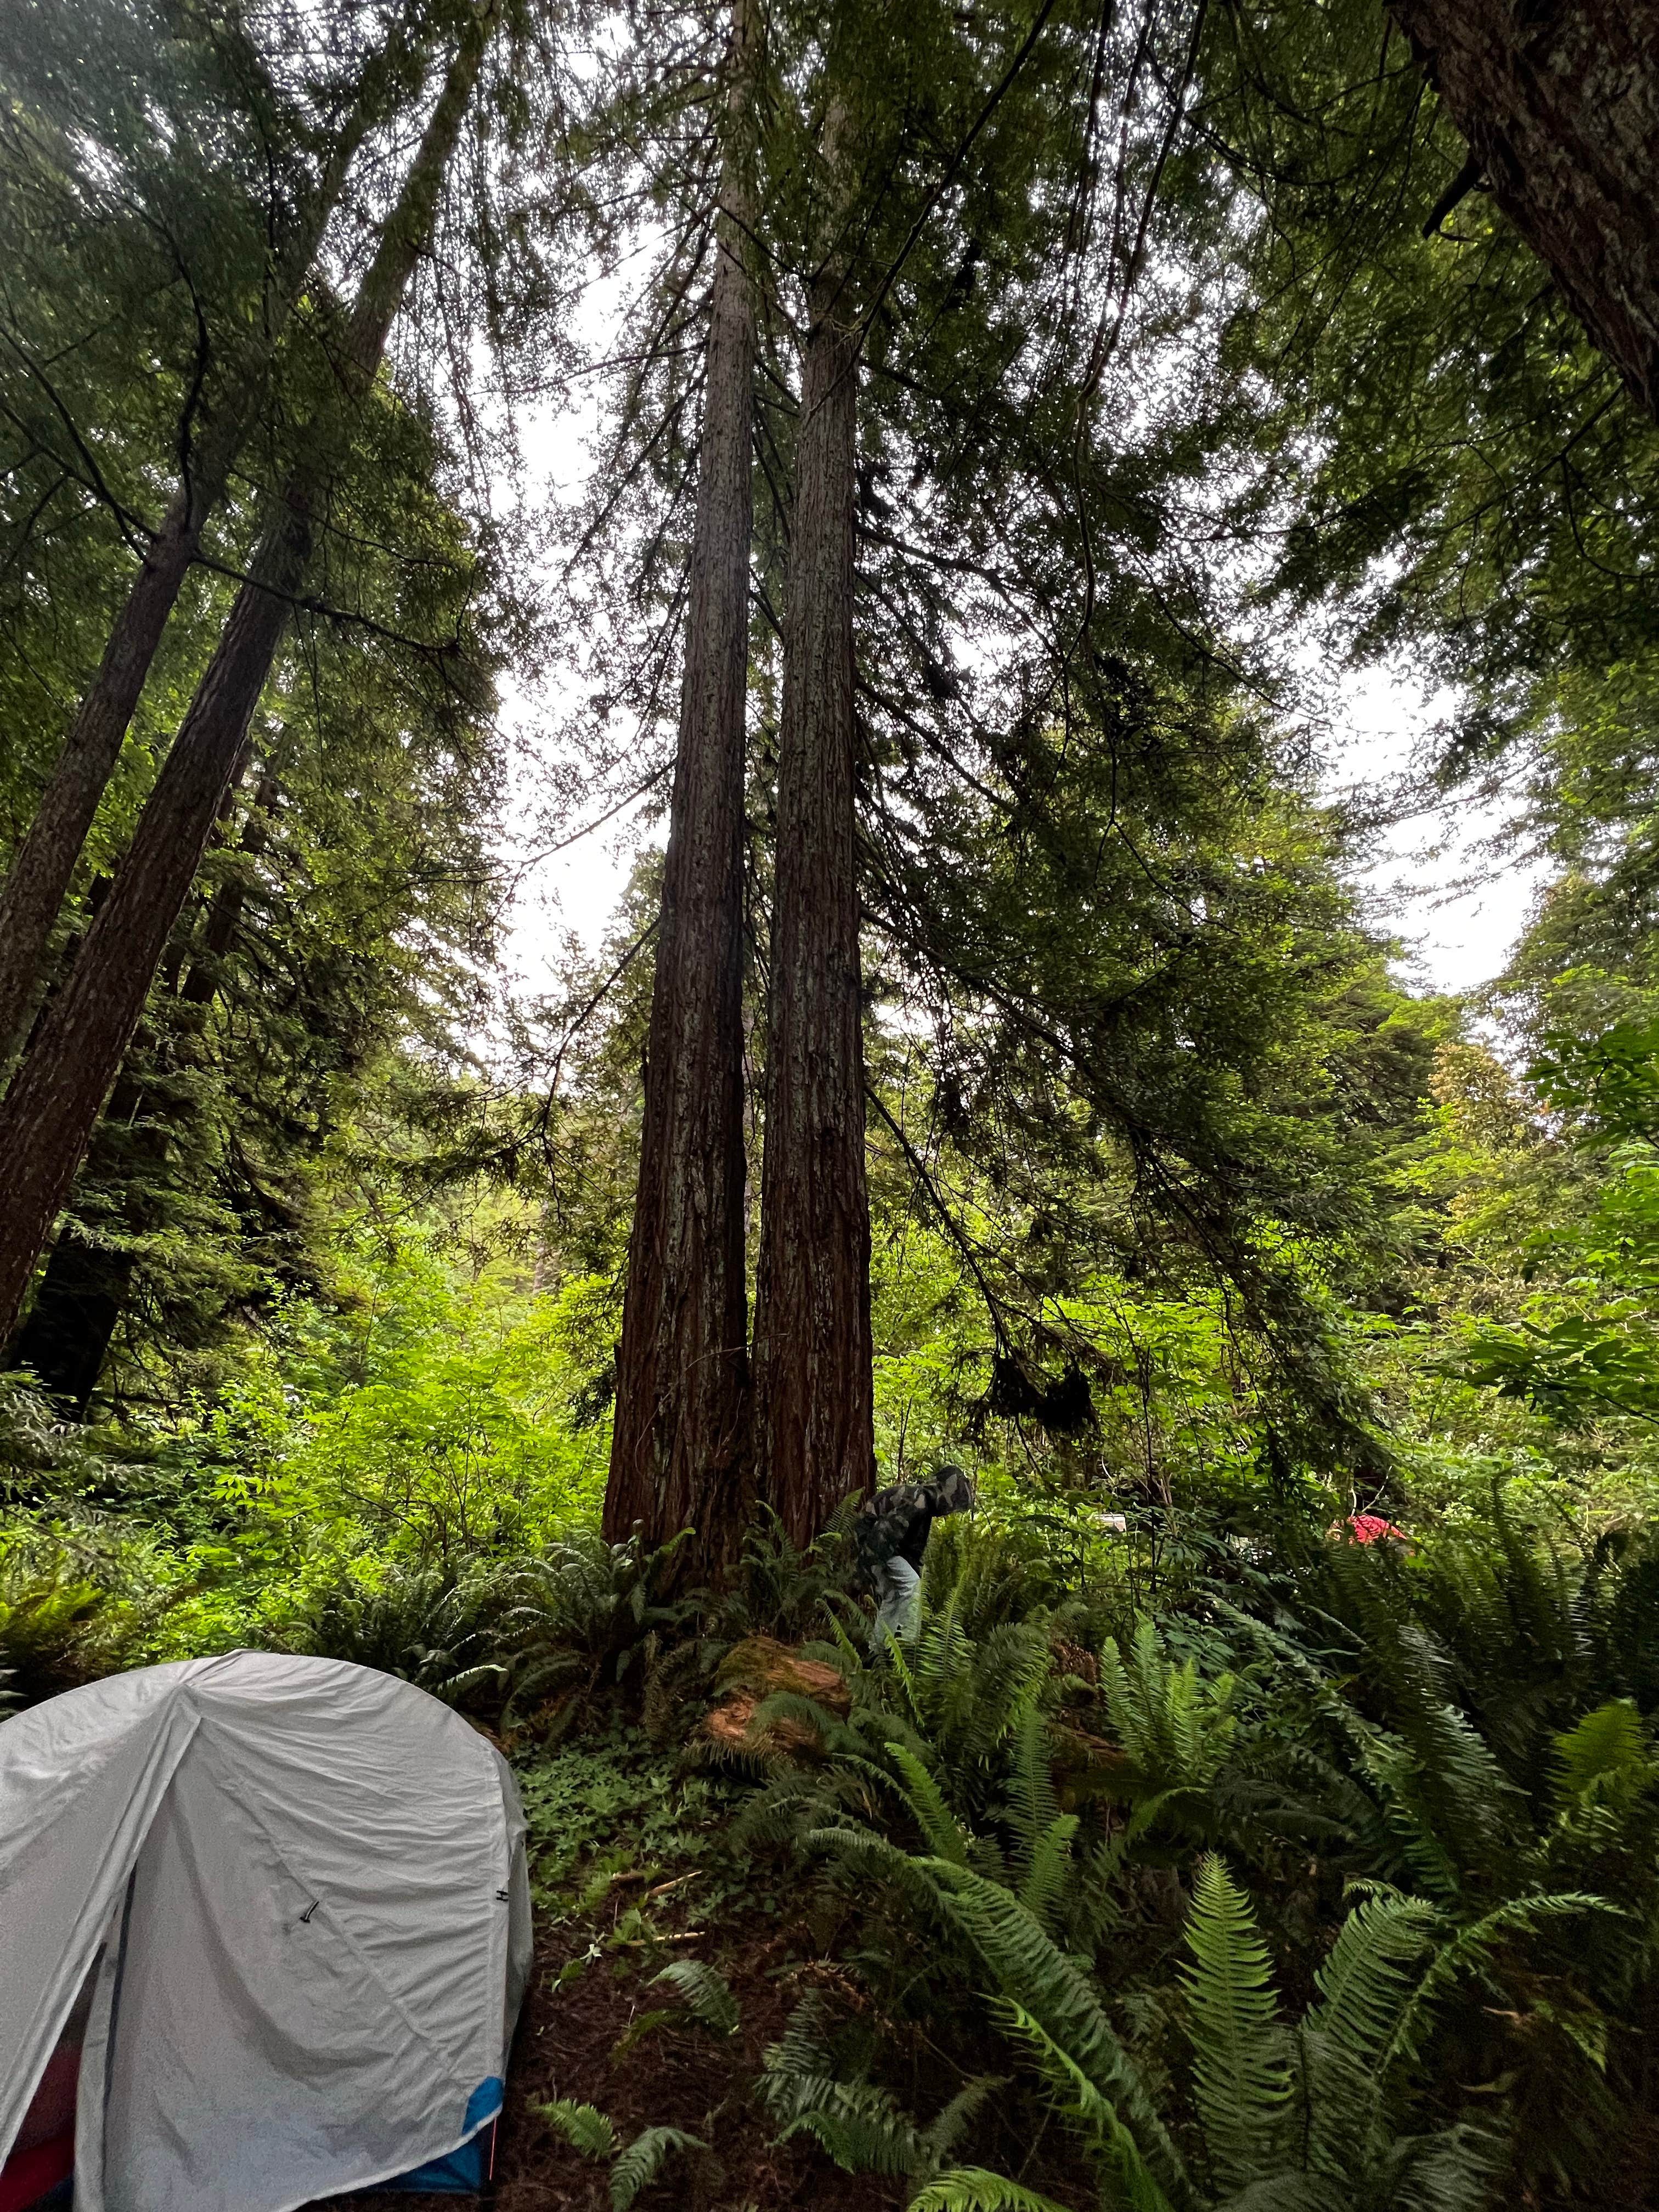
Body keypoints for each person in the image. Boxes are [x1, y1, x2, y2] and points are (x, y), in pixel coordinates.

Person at [855, 1464, 974, 1651]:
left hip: (880, 1546)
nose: (949, 1512)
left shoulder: (923, 1504)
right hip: (873, 1542)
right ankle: (909, 1650)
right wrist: (869, 1566)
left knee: (894, 1596)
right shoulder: (918, 1501)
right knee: (913, 1587)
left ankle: (877, 1653)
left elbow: (910, 1548)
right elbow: (884, 1532)